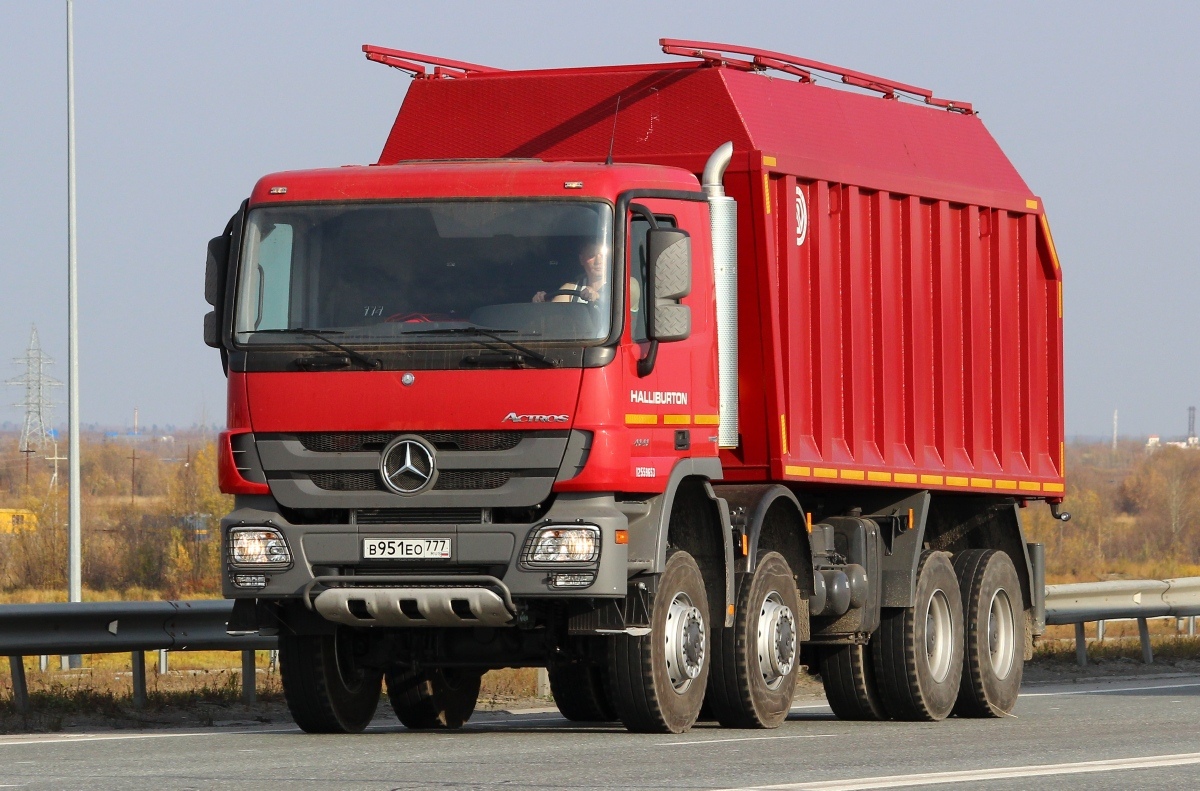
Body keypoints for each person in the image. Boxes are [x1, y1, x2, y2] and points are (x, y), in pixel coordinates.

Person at [533, 241, 608, 304]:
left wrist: (598, 296)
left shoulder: (618, 288)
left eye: (603, 255)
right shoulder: (571, 290)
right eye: (592, 255)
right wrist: (541, 304)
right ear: (581, 259)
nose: (598, 261)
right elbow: (553, 314)